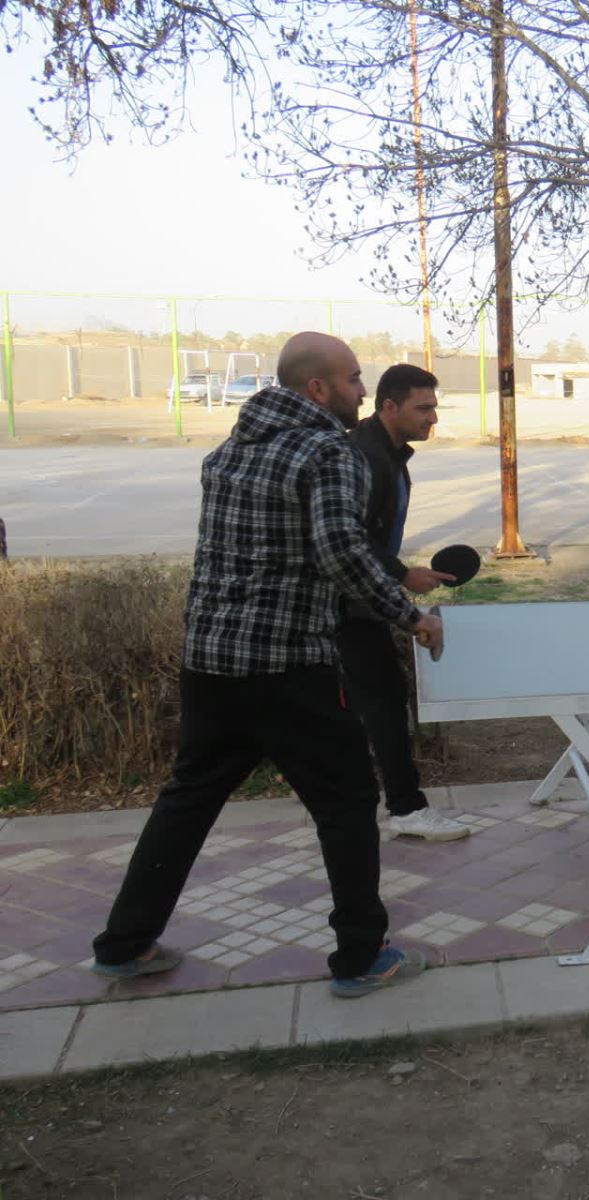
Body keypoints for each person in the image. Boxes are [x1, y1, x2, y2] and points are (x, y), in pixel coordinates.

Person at [90, 332, 444, 997]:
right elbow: (342, 554)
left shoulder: (228, 451)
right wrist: (410, 616)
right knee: (348, 802)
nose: (362, 390)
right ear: (318, 388)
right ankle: (362, 958)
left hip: (210, 662)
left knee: (188, 799)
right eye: (353, 379)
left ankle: (125, 943)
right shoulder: (329, 452)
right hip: (288, 667)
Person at [338, 363, 471, 841]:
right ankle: (404, 808)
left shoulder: (390, 454)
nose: (433, 417)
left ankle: (372, 806)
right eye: (424, 408)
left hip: (363, 596)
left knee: (373, 702)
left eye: (434, 407)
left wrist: (400, 575)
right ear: (389, 406)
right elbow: (346, 539)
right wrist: (399, 575)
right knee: (383, 700)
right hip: (344, 604)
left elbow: (369, 539)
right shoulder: (362, 456)